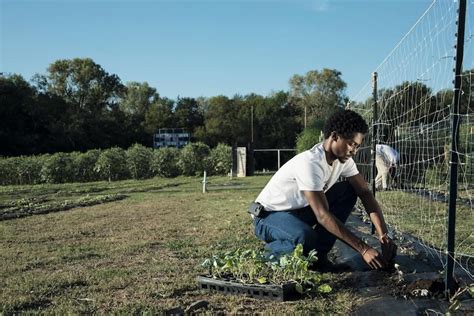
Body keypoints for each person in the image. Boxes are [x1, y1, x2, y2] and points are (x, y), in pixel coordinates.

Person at [251, 109, 397, 271]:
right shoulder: (310, 163)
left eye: (357, 146)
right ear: (334, 136)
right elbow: (322, 215)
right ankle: (267, 256)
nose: (354, 151)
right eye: (352, 144)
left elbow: (365, 193)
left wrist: (383, 235)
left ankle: (318, 259)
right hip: (269, 217)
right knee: (304, 238)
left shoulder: (343, 161)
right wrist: (363, 249)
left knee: (348, 191)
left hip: (299, 212)